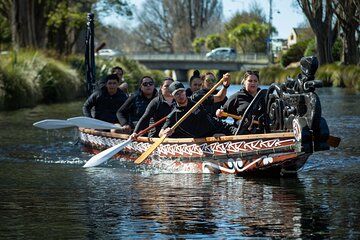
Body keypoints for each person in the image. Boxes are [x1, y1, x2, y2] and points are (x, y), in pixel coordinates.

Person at [159, 77, 237, 138]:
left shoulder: (196, 98)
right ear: (172, 96)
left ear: (185, 91)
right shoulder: (173, 115)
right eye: (177, 94)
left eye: (182, 92)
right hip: (207, 138)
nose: (181, 96)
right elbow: (160, 134)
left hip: (220, 126)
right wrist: (165, 132)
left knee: (242, 131)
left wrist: (225, 86)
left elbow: (219, 97)